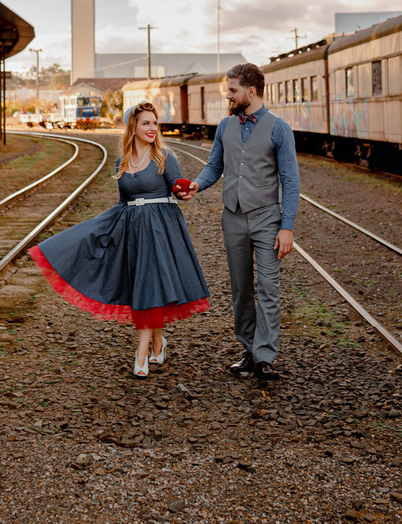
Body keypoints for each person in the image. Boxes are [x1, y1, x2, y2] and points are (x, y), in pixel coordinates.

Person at [28, 102, 209, 378]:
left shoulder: (164, 156)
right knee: (149, 286)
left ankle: (141, 356)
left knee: (149, 286)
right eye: (145, 123)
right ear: (132, 127)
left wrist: (184, 190)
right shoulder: (122, 161)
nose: (151, 128)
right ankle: (159, 342)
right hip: (134, 231)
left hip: (160, 230)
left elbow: (178, 189)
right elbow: (124, 200)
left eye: (154, 123)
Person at [177, 63, 300, 381]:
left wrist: (287, 226)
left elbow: (291, 181)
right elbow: (214, 166)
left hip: (267, 219)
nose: (228, 96)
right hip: (232, 218)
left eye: (232, 90)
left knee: (268, 287)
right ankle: (248, 351)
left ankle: (265, 357)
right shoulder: (224, 127)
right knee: (241, 288)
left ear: (251, 91)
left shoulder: (278, 128)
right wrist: (197, 185)